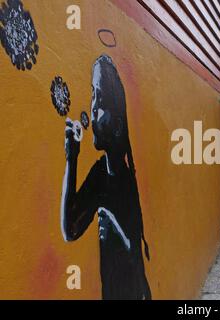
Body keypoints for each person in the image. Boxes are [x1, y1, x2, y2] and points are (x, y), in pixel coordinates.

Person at [60, 54, 151, 300]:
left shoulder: (120, 178)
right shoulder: (102, 172)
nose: (92, 107)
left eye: (99, 99)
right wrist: (72, 157)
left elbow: (132, 252)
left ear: (119, 126)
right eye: (92, 96)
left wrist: (107, 214)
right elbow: (70, 228)